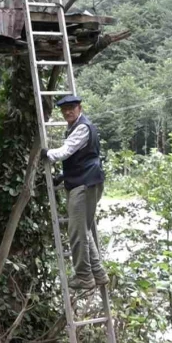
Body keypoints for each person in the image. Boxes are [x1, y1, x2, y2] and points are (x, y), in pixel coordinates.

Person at [40, 95, 108, 290]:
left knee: (77, 232)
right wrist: (64, 175)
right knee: (83, 230)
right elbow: (83, 157)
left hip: (84, 184)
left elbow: (65, 152)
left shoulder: (82, 128)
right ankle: (98, 273)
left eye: (71, 108)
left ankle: (84, 276)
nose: (67, 112)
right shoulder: (75, 127)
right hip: (84, 180)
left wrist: (46, 153)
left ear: (80, 108)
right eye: (64, 109)